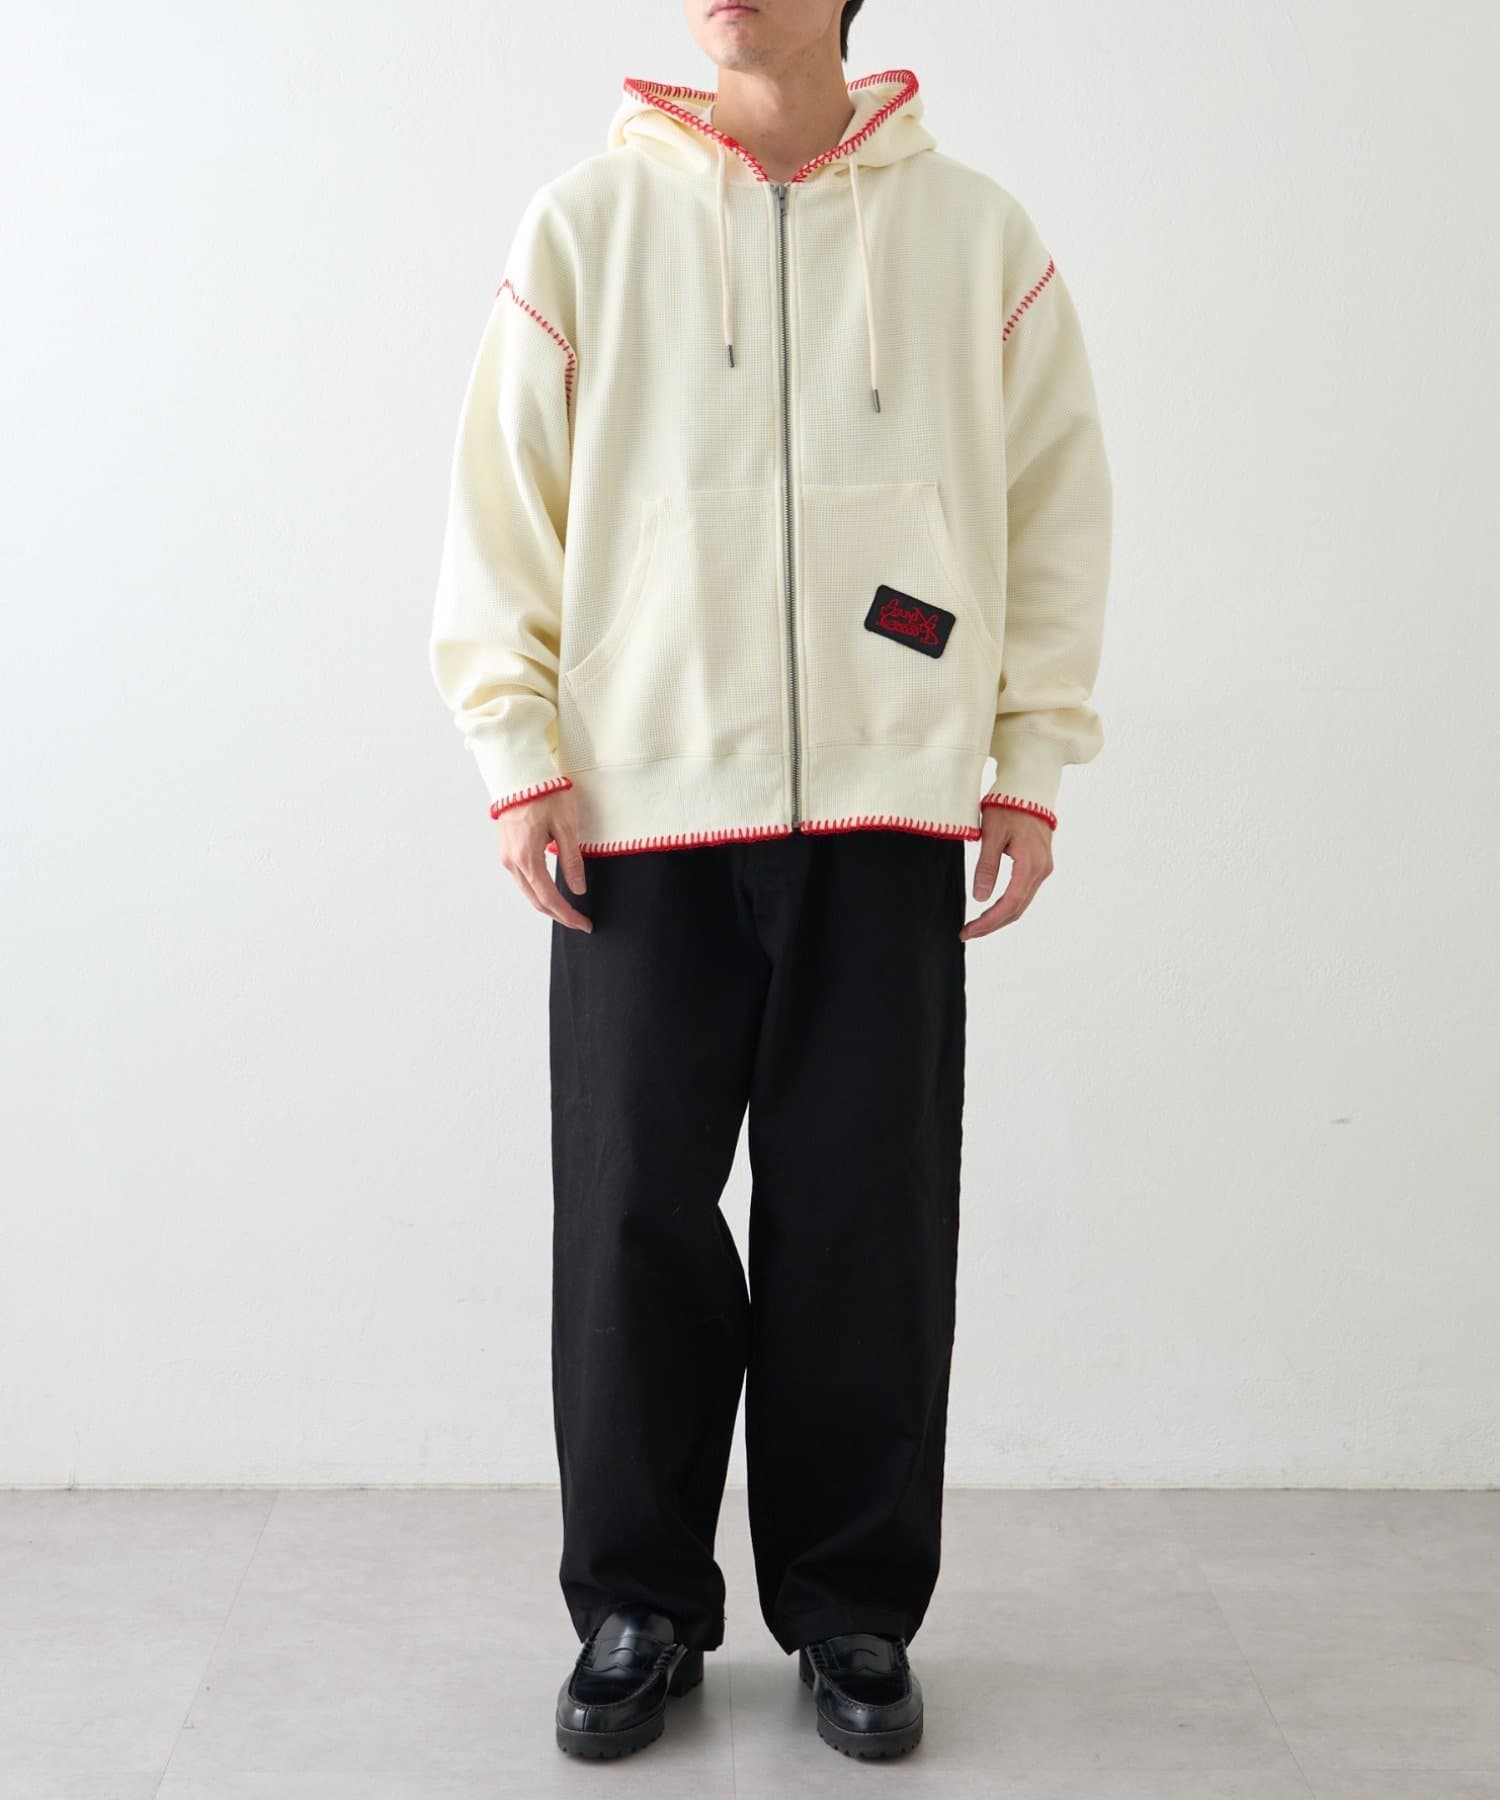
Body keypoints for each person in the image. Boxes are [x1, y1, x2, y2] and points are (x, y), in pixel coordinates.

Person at [429, 0, 1111, 1763]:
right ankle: (640, 1605)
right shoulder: (586, 224)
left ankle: (852, 1605)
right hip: (641, 813)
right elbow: (502, 505)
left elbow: (1055, 508)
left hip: (890, 808)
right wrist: (518, 754)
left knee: (865, 1215)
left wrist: (1027, 760)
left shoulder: (974, 236)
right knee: (633, 1214)